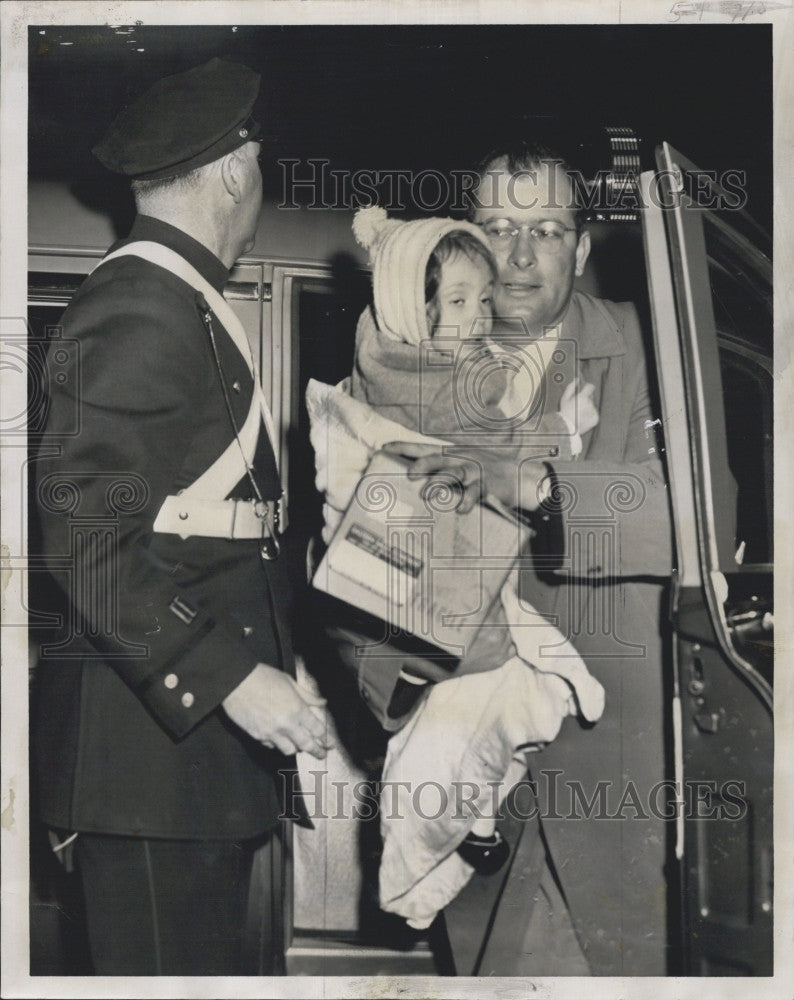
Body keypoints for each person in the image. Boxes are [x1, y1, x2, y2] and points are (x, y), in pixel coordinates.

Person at [32, 58, 333, 976]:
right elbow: (85, 536)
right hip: (148, 773)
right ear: (238, 168)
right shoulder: (140, 307)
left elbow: (213, 522)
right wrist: (232, 677)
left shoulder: (182, 299)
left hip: (186, 767)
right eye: (262, 170)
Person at [382, 141, 674, 975]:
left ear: (581, 249)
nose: (515, 256)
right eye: (495, 227)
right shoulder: (413, 358)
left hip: (616, 781)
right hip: (471, 791)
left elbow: (682, 511)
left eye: (544, 229)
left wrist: (530, 480)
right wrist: (403, 684)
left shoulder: (647, 351)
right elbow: (351, 562)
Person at [308, 206, 605, 929]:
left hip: (458, 585)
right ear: (416, 308)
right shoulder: (407, 372)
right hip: (418, 589)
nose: (477, 319)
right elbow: (457, 449)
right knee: (454, 722)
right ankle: (418, 863)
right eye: (458, 303)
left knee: (485, 704)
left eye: (483, 300)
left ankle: (460, 825)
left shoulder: (454, 362)